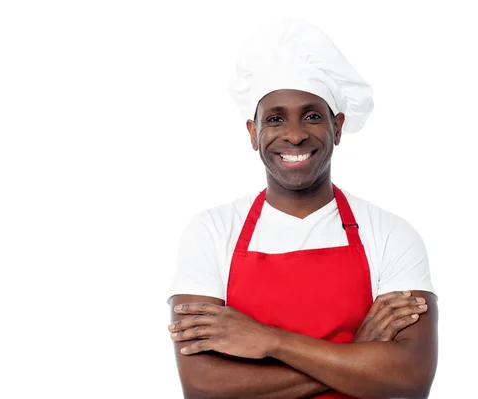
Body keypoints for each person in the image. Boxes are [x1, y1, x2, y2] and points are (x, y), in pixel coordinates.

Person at [167, 19, 438, 399]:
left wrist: (270, 342)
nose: (295, 134)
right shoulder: (211, 232)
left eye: (312, 115)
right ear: (252, 132)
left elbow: (410, 379)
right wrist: (356, 358)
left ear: (338, 127)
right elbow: (204, 386)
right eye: (275, 118)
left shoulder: (390, 234)